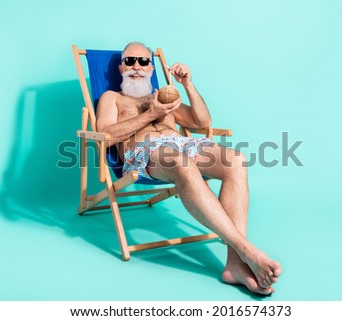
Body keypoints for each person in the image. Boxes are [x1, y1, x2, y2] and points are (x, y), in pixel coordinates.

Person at [96, 41, 282, 295]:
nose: (136, 66)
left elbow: (202, 121)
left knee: (236, 161)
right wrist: (151, 114)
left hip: (181, 144)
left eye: (143, 61)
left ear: (152, 68)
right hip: (144, 151)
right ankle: (246, 250)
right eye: (130, 61)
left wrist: (188, 85)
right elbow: (105, 134)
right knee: (181, 162)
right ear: (121, 68)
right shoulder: (112, 98)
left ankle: (235, 266)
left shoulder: (163, 96)